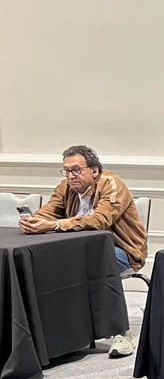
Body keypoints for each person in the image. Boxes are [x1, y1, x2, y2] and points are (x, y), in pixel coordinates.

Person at [20, 144, 146, 357]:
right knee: (50, 264)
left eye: (76, 170)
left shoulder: (112, 184)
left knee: (96, 264)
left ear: (94, 170)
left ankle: (121, 332)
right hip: (80, 252)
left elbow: (100, 220)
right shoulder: (65, 187)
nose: (71, 176)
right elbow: (49, 212)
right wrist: (33, 221)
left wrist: (55, 225)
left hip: (122, 250)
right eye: (67, 171)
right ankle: (63, 334)